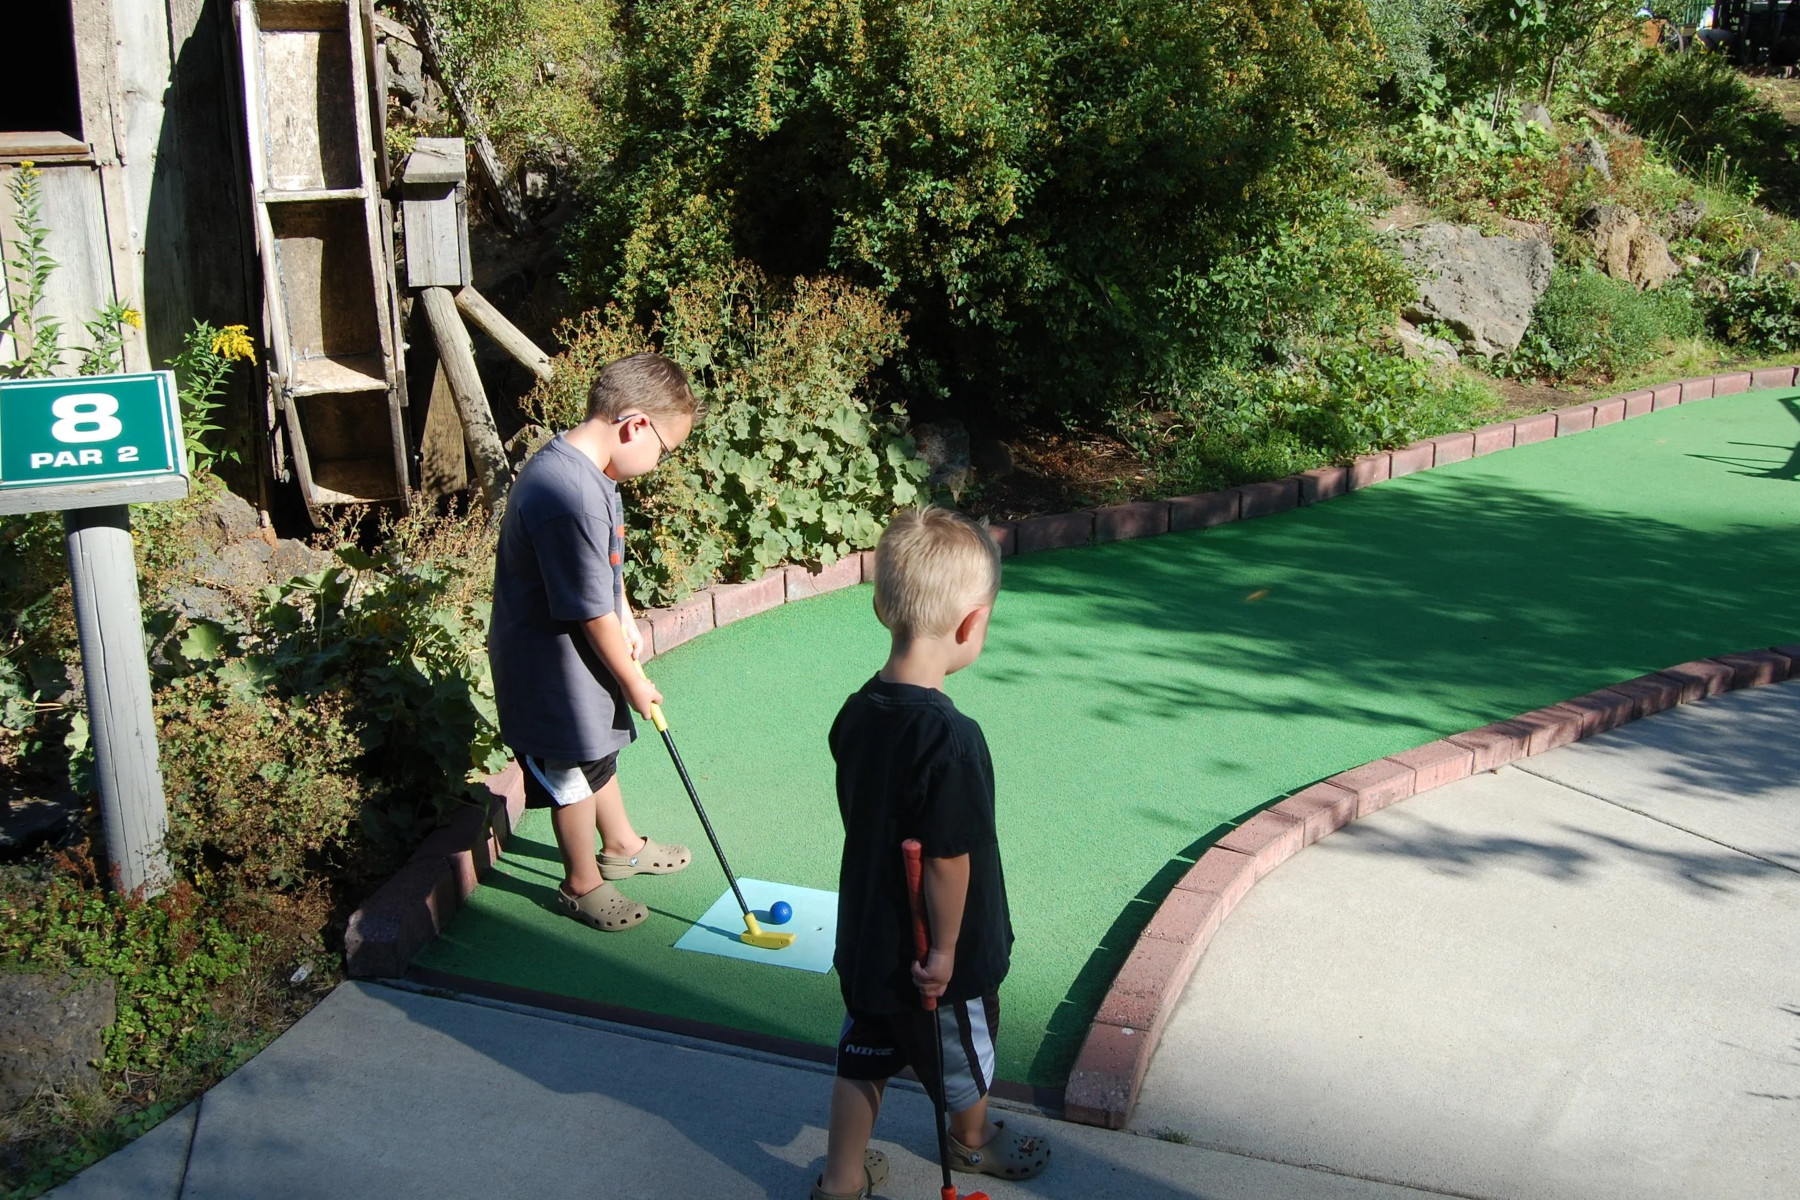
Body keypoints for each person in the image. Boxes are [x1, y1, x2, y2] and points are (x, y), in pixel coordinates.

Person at [813, 508, 1051, 1200]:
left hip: (867, 933)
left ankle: (841, 1179)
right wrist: (946, 952)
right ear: (972, 624)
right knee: (961, 1056)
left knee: (864, 1054)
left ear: (885, 604)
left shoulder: (856, 712)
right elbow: (948, 859)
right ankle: (970, 1141)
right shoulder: (952, 739)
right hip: (932, 955)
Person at [488, 352, 700, 932]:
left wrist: (627, 614)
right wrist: (633, 679)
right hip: (546, 665)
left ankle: (622, 845)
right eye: (664, 448)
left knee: (597, 750)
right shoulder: (570, 493)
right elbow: (586, 609)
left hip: (574, 656)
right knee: (571, 772)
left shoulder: (596, 473)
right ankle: (581, 881)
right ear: (634, 424)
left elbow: (605, 567)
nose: (659, 462)